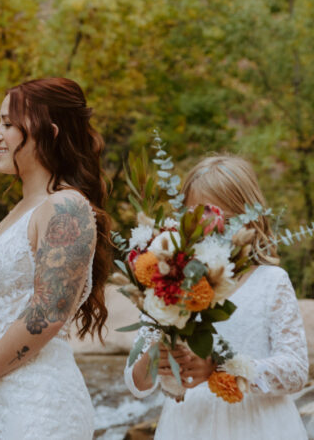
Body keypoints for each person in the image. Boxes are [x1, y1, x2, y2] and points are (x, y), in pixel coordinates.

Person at [0, 77, 112, 439]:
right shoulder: (22, 209)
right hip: (2, 401)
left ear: (48, 132)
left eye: (7, 124)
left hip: (40, 405)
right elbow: (5, 302)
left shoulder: (66, 207)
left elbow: (48, 311)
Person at [124, 155, 309, 439]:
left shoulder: (271, 282)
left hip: (257, 426)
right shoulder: (168, 284)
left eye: (225, 219)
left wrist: (222, 366)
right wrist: (154, 357)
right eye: (198, 217)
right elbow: (137, 385)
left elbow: (296, 371)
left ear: (249, 219)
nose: (210, 229)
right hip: (187, 427)